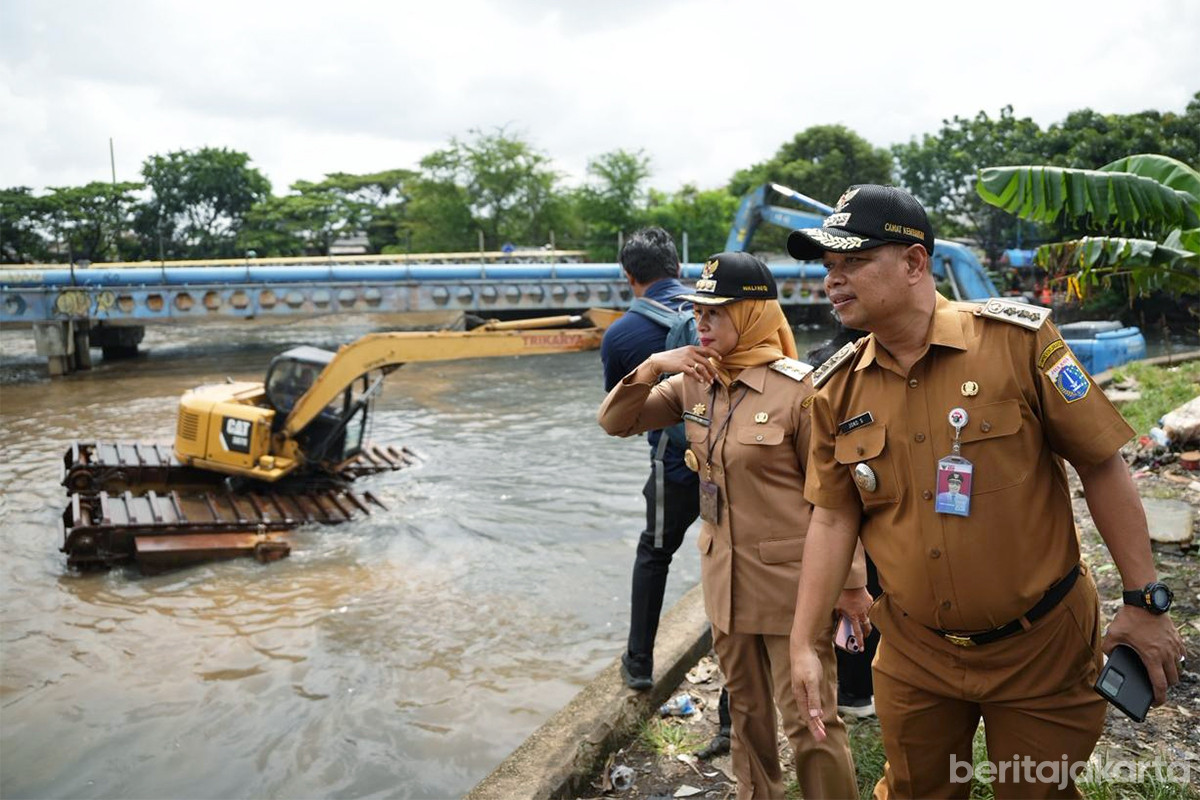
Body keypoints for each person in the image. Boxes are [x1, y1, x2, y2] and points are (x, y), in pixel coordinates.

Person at [786, 184, 1186, 798]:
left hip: (1040, 646)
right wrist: (804, 643)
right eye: (828, 265)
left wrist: (1144, 601)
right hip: (914, 650)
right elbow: (833, 518)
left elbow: (1100, 463)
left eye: (854, 261)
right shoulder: (835, 391)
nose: (832, 280)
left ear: (914, 262)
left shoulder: (1016, 342)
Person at [599, 251, 865, 800]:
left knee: (811, 721)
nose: (701, 323)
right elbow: (615, 421)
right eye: (698, 312)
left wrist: (851, 584)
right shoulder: (694, 383)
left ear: (752, 314)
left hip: (792, 587)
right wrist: (652, 367)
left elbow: (836, 499)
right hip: (725, 580)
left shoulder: (801, 390)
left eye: (716, 312)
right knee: (745, 714)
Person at [600, 226, 702, 691]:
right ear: (678, 268)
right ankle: (733, 703)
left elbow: (621, 415)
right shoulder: (716, 315)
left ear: (629, 276)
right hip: (739, 454)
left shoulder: (621, 335)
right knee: (733, 556)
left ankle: (639, 663)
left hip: (674, 461)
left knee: (655, 552)